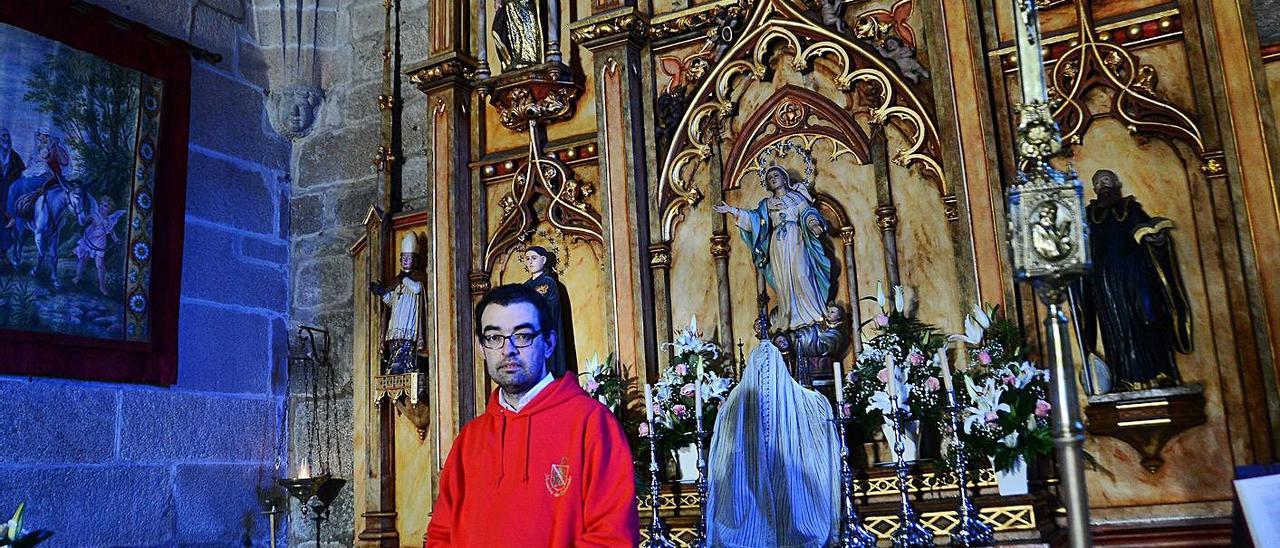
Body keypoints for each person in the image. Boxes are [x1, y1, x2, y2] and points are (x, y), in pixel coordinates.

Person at [425, 284, 639, 546]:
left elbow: (612, 536)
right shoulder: (469, 439)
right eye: (494, 337)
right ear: (482, 348)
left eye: (523, 335)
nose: (508, 350)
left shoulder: (592, 423)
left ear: (549, 343)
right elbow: (441, 535)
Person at [1074, 169, 1192, 390]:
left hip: (1137, 279)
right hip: (1106, 283)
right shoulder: (1088, 216)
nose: (1103, 185)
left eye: (1107, 180)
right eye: (1099, 183)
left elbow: (1151, 237)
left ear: (1116, 184)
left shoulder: (1131, 209)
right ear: (1095, 189)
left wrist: (1156, 241)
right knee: (1115, 328)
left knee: (1147, 321)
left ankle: (1161, 371)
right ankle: (1123, 377)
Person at [714, 165, 835, 332]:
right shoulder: (767, 204)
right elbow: (754, 219)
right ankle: (790, 318)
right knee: (783, 280)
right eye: (769, 178)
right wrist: (732, 210)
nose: (773, 179)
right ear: (768, 185)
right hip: (777, 245)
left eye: (776, 175)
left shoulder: (797, 198)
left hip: (796, 239)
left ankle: (814, 315)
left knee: (802, 273)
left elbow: (808, 213)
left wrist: (813, 224)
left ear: (784, 178)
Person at [369, 233, 426, 374]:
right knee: (395, 350)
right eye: (404, 257)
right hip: (396, 324)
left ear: (416, 260)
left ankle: (407, 369)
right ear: (401, 259)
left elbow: (418, 289)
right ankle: (393, 368)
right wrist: (382, 293)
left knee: (406, 352)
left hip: (409, 324)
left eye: (410, 258)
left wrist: (404, 278)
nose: (407, 260)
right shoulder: (396, 281)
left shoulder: (418, 278)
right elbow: (391, 301)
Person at [522, 246, 577, 377]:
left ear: (543, 260)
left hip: (544, 331)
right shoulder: (524, 286)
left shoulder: (549, 283)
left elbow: (553, 308)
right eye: (528, 259)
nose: (530, 262)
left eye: (534, 258)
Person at [71, 195, 126, 295]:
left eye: (105, 206)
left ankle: (102, 286)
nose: (101, 207)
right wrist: (82, 220)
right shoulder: (95, 215)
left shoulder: (109, 220)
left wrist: (116, 240)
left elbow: (111, 232)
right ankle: (77, 277)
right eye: (101, 204)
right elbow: (84, 220)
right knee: (83, 258)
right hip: (90, 239)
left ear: (109, 209)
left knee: (100, 264)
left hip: (100, 242)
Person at [0, 128, 25, 233]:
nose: (6, 139)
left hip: (10, 188)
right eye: (3, 136)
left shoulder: (14, 155)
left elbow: (23, 170)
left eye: (8, 136)